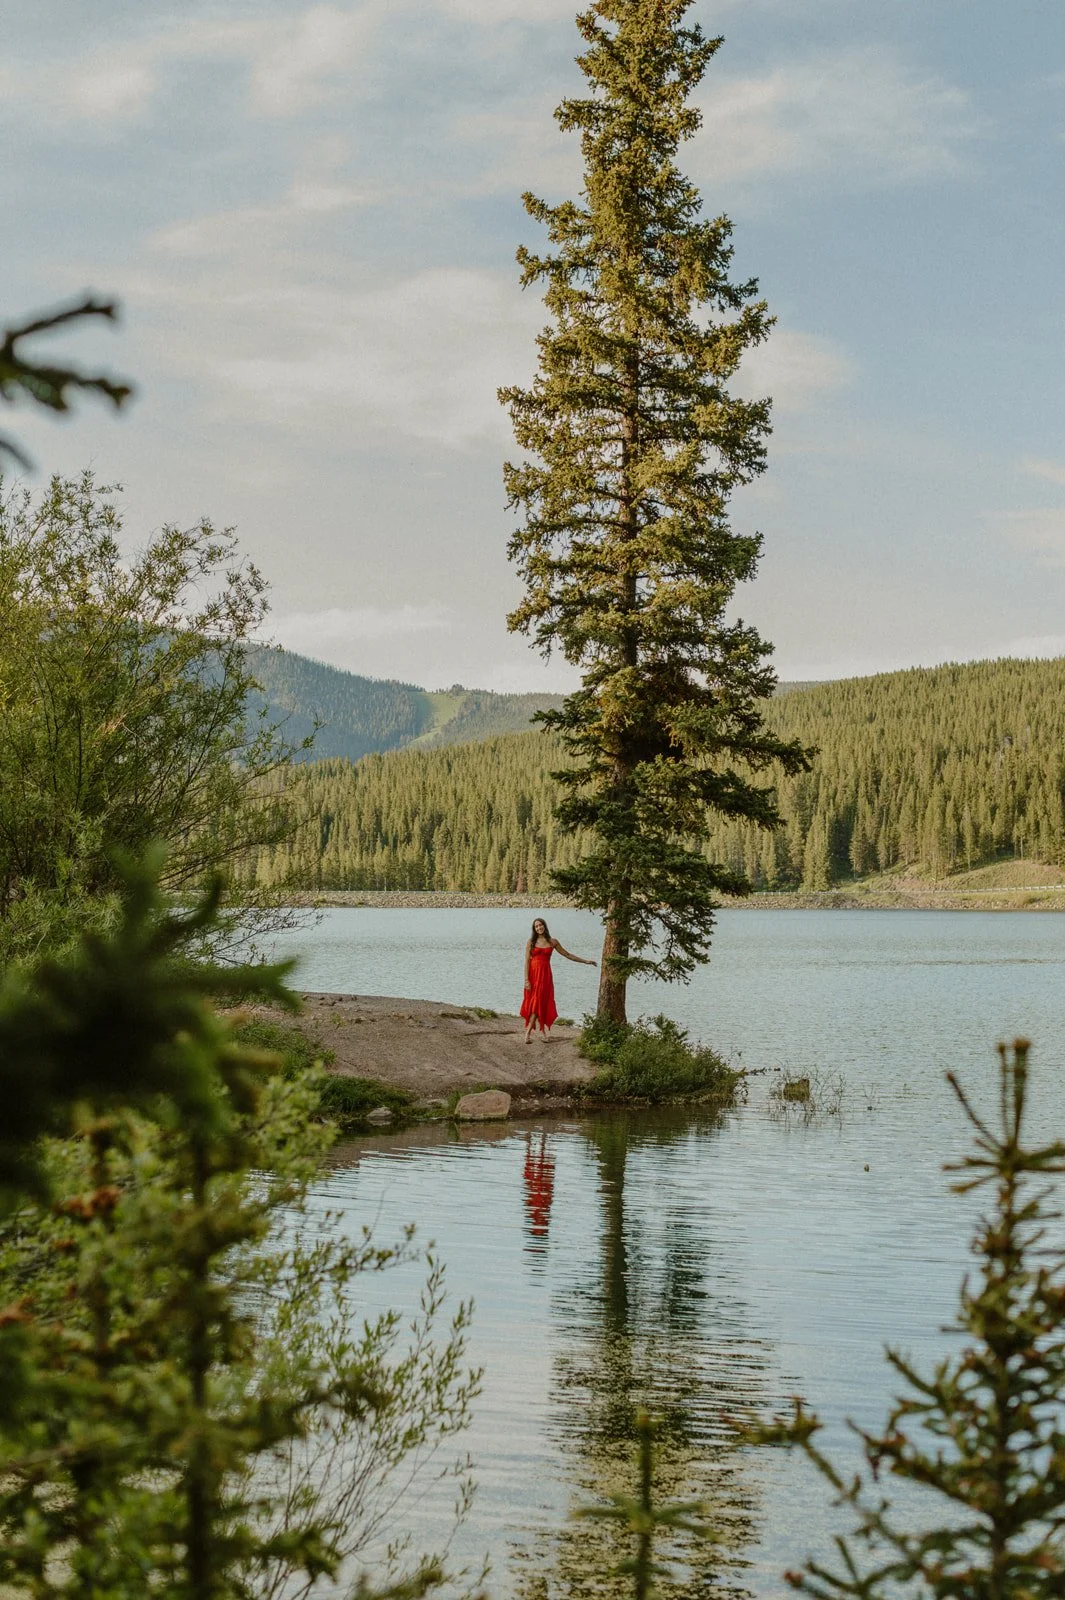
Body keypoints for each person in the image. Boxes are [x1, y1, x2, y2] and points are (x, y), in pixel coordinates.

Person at [520, 916, 595, 1043]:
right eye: (536, 926)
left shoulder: (553, 942)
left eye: (541, 925)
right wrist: (526, 980)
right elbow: (527, 961)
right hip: (533, 976)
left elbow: (567, 954)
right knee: (535, 1003)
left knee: (542, 1003)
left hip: (545, 976)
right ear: (534, 929)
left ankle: (541, 1032)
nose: (539, 927)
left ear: (545, 926)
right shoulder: (531, 942)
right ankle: (528, 1034)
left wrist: (585, 961)